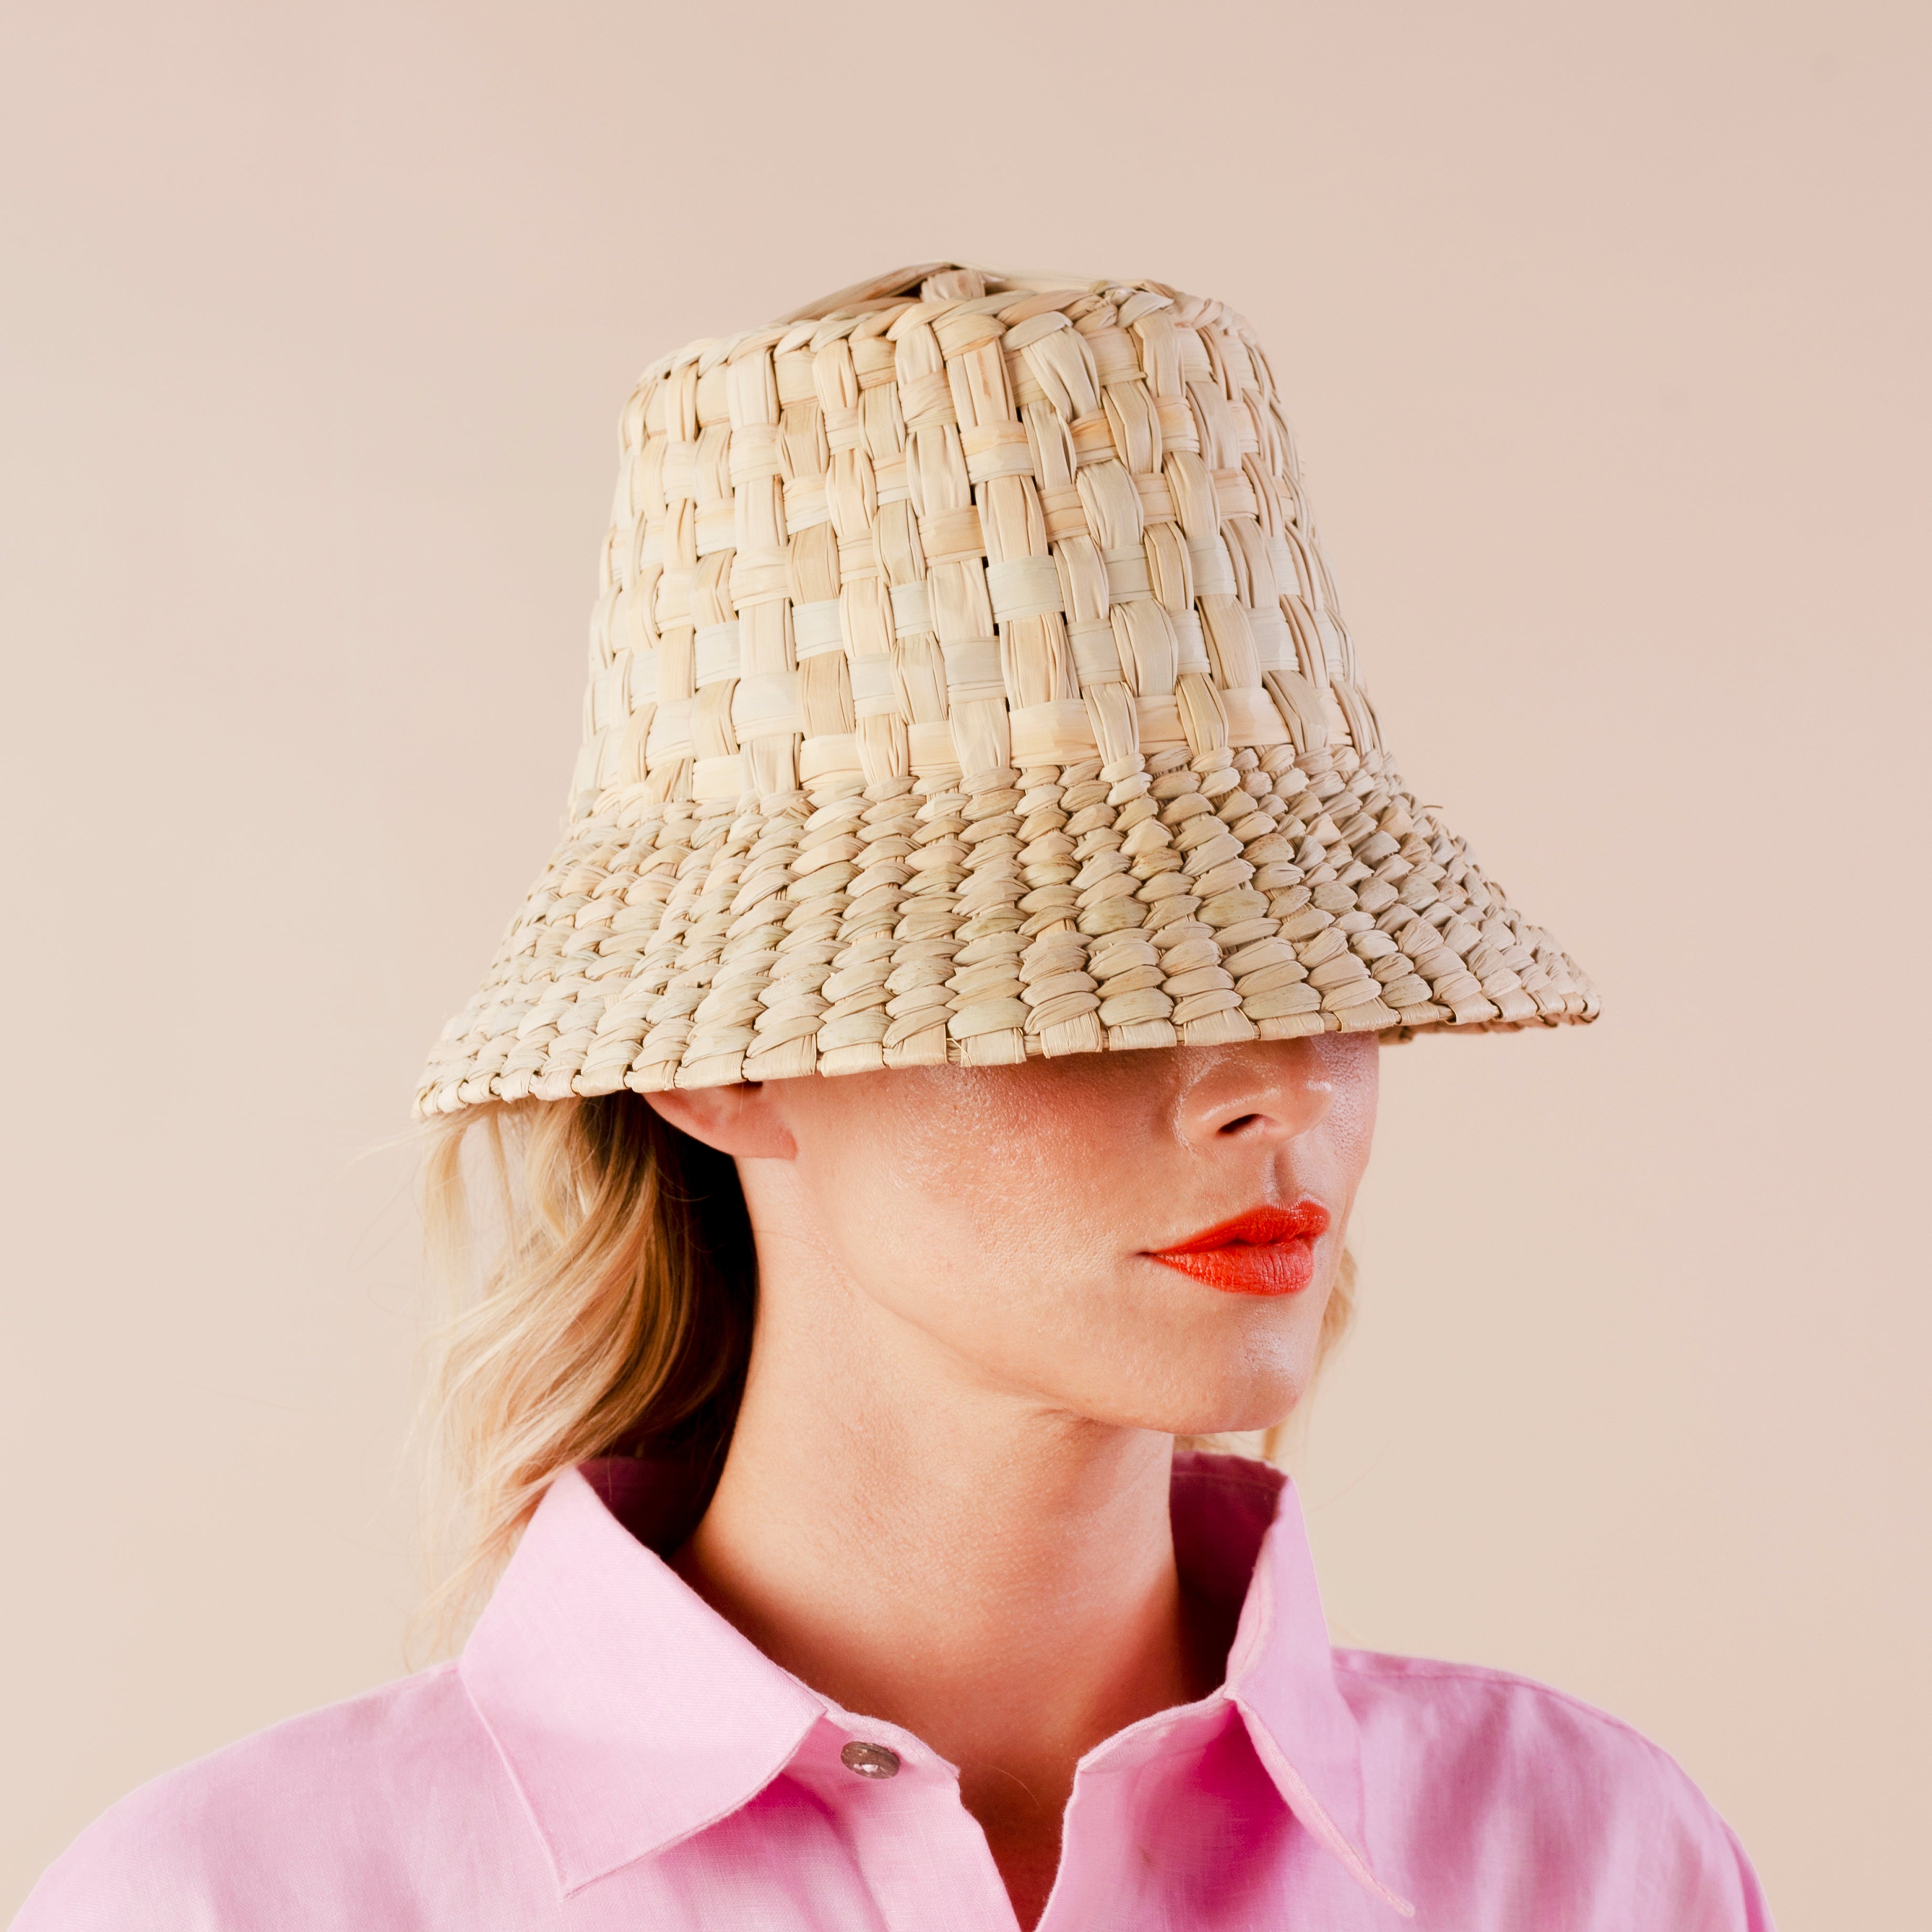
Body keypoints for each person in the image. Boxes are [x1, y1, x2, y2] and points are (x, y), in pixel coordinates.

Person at [14, 262, 1771, 1930]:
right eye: (1081, 979)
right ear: (718, 1063)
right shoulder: (232, 1900)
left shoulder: (1578, 1857)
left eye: (1321, 967)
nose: (1272, 1085)